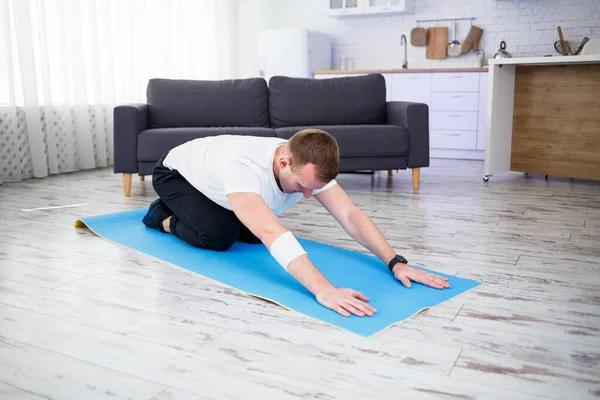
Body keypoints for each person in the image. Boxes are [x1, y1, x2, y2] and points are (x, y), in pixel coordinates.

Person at [142, 128, 450, 318]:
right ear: (283, 162)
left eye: (312, 188)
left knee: (246, 235)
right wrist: (324, 289)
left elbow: (349, 214)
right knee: (219, 236)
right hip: (177, 175)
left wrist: (396, 262)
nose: (306, 196)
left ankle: (203, 212)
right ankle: (163, 215)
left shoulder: (308, 166)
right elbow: (271, 231)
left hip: (220, 183)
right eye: (301, 186)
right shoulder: (243, 168)